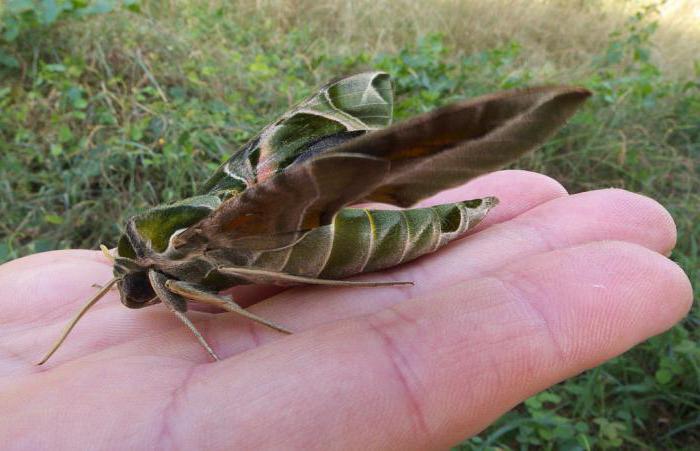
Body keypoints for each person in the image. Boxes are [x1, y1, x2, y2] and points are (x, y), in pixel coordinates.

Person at [0, 170, 691, 449]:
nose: (128, 288)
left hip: (347, 241)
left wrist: (223, 338)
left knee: (304, 265)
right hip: (296, 232)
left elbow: (200, 301)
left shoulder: (187, 267)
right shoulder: (164, 262)